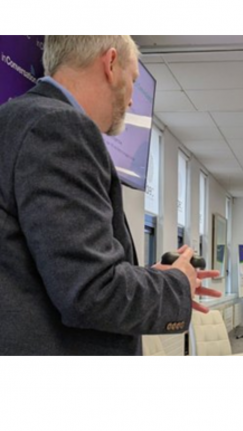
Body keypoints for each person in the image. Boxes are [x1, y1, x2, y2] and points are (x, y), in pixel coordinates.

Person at [0, 36, 220, 355]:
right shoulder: (59, 127)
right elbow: (91, 294)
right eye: (132, 80)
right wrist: (177, 284)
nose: (131, 101)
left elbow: (55, 272)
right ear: (111, 63)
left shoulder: (17, 120)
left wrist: (144, 278)